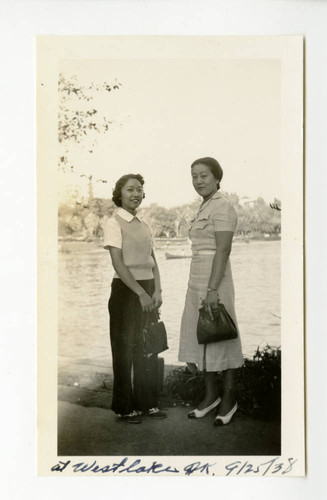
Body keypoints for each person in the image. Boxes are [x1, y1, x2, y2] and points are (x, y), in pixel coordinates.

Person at [178, 157, 243, 426]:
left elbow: (223, 250)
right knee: (200, 332)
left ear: (217, 177)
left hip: (216, 277)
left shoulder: (223, 207)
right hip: (196, 277)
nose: (198, 181)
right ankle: (210, 396)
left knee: (222, 333)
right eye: (194, 176)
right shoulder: (202, 207)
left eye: (204, 175)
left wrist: (213, 288)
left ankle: (228, 399)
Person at [103, 173, 167, 424]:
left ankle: (147, 404)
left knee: (147, 348)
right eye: (130, 189)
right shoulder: (114, 222)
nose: (136, 194)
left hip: (148, 289)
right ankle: (123, 408)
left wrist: (157, 291)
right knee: (124, 350)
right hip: (126, 292)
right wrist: (140, 294)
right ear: (119, 193)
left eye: (139, 189)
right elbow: (118, 264)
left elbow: (153, 262)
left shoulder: (144, 225)